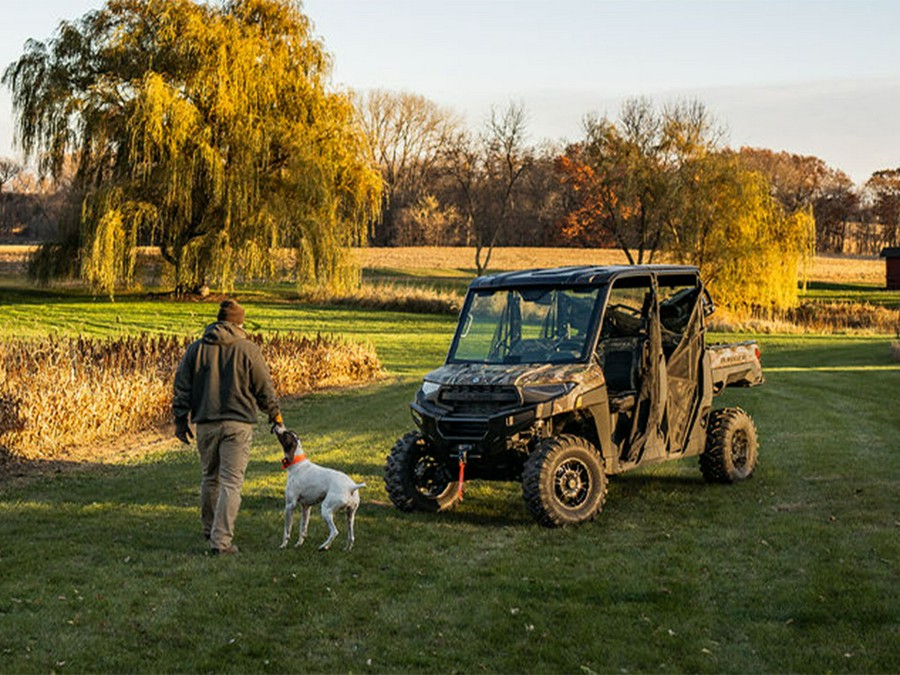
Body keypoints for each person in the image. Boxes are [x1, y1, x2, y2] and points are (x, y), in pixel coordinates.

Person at [173, 299, 284, 555]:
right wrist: (275, 415)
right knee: (231, 482)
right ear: (239, 322)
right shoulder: (248, 349)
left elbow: (182, 386)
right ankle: (221, 542)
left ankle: (209, 529)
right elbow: (264, 388)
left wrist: (181, 420)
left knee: (209, 478)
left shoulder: (196, 349)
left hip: (205, 424)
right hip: (238, 424)